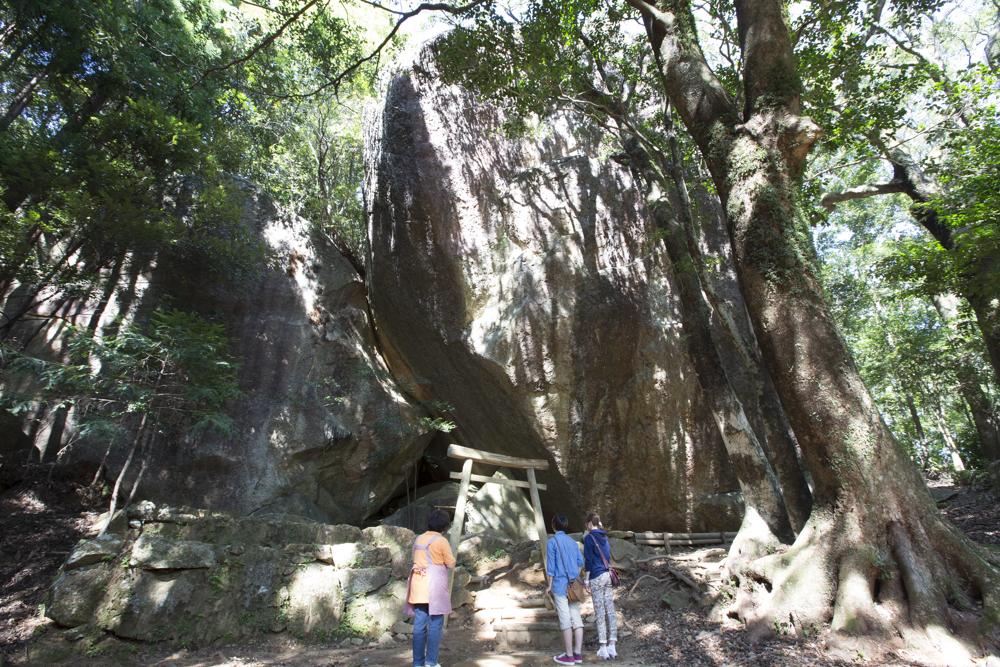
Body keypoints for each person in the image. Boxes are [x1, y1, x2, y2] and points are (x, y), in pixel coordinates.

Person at [405, 508, 456, 667]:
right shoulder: (441, 541)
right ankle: (431, 662)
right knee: (435, 624)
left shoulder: (418, 539)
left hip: (418, 584)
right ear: (445, 526)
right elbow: (450, 563)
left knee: (419, 624)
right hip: (434, 585)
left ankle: (417, 663)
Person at [545, 513, 585, 665]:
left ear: (554, 525)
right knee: (576, 618)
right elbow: (581, 562)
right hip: (573, 587)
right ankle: (578, 654)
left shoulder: (552, 542)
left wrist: (549, 586)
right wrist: (574, 575)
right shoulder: (572, 542)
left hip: (560, 587)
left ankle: (568, 656)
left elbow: (551, 569)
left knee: (565, 620)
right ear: (566, 525)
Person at [583, 512, 618, 660]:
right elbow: (608, 556)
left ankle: (603, 647)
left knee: (600, 611)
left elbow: (589, 561)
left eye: (586, 524)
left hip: (596, 576)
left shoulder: (589, 538)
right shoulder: (604, 536)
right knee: (610, 609)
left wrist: (586, 580)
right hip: (607, 575)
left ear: (590, 523)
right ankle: (613, 645)